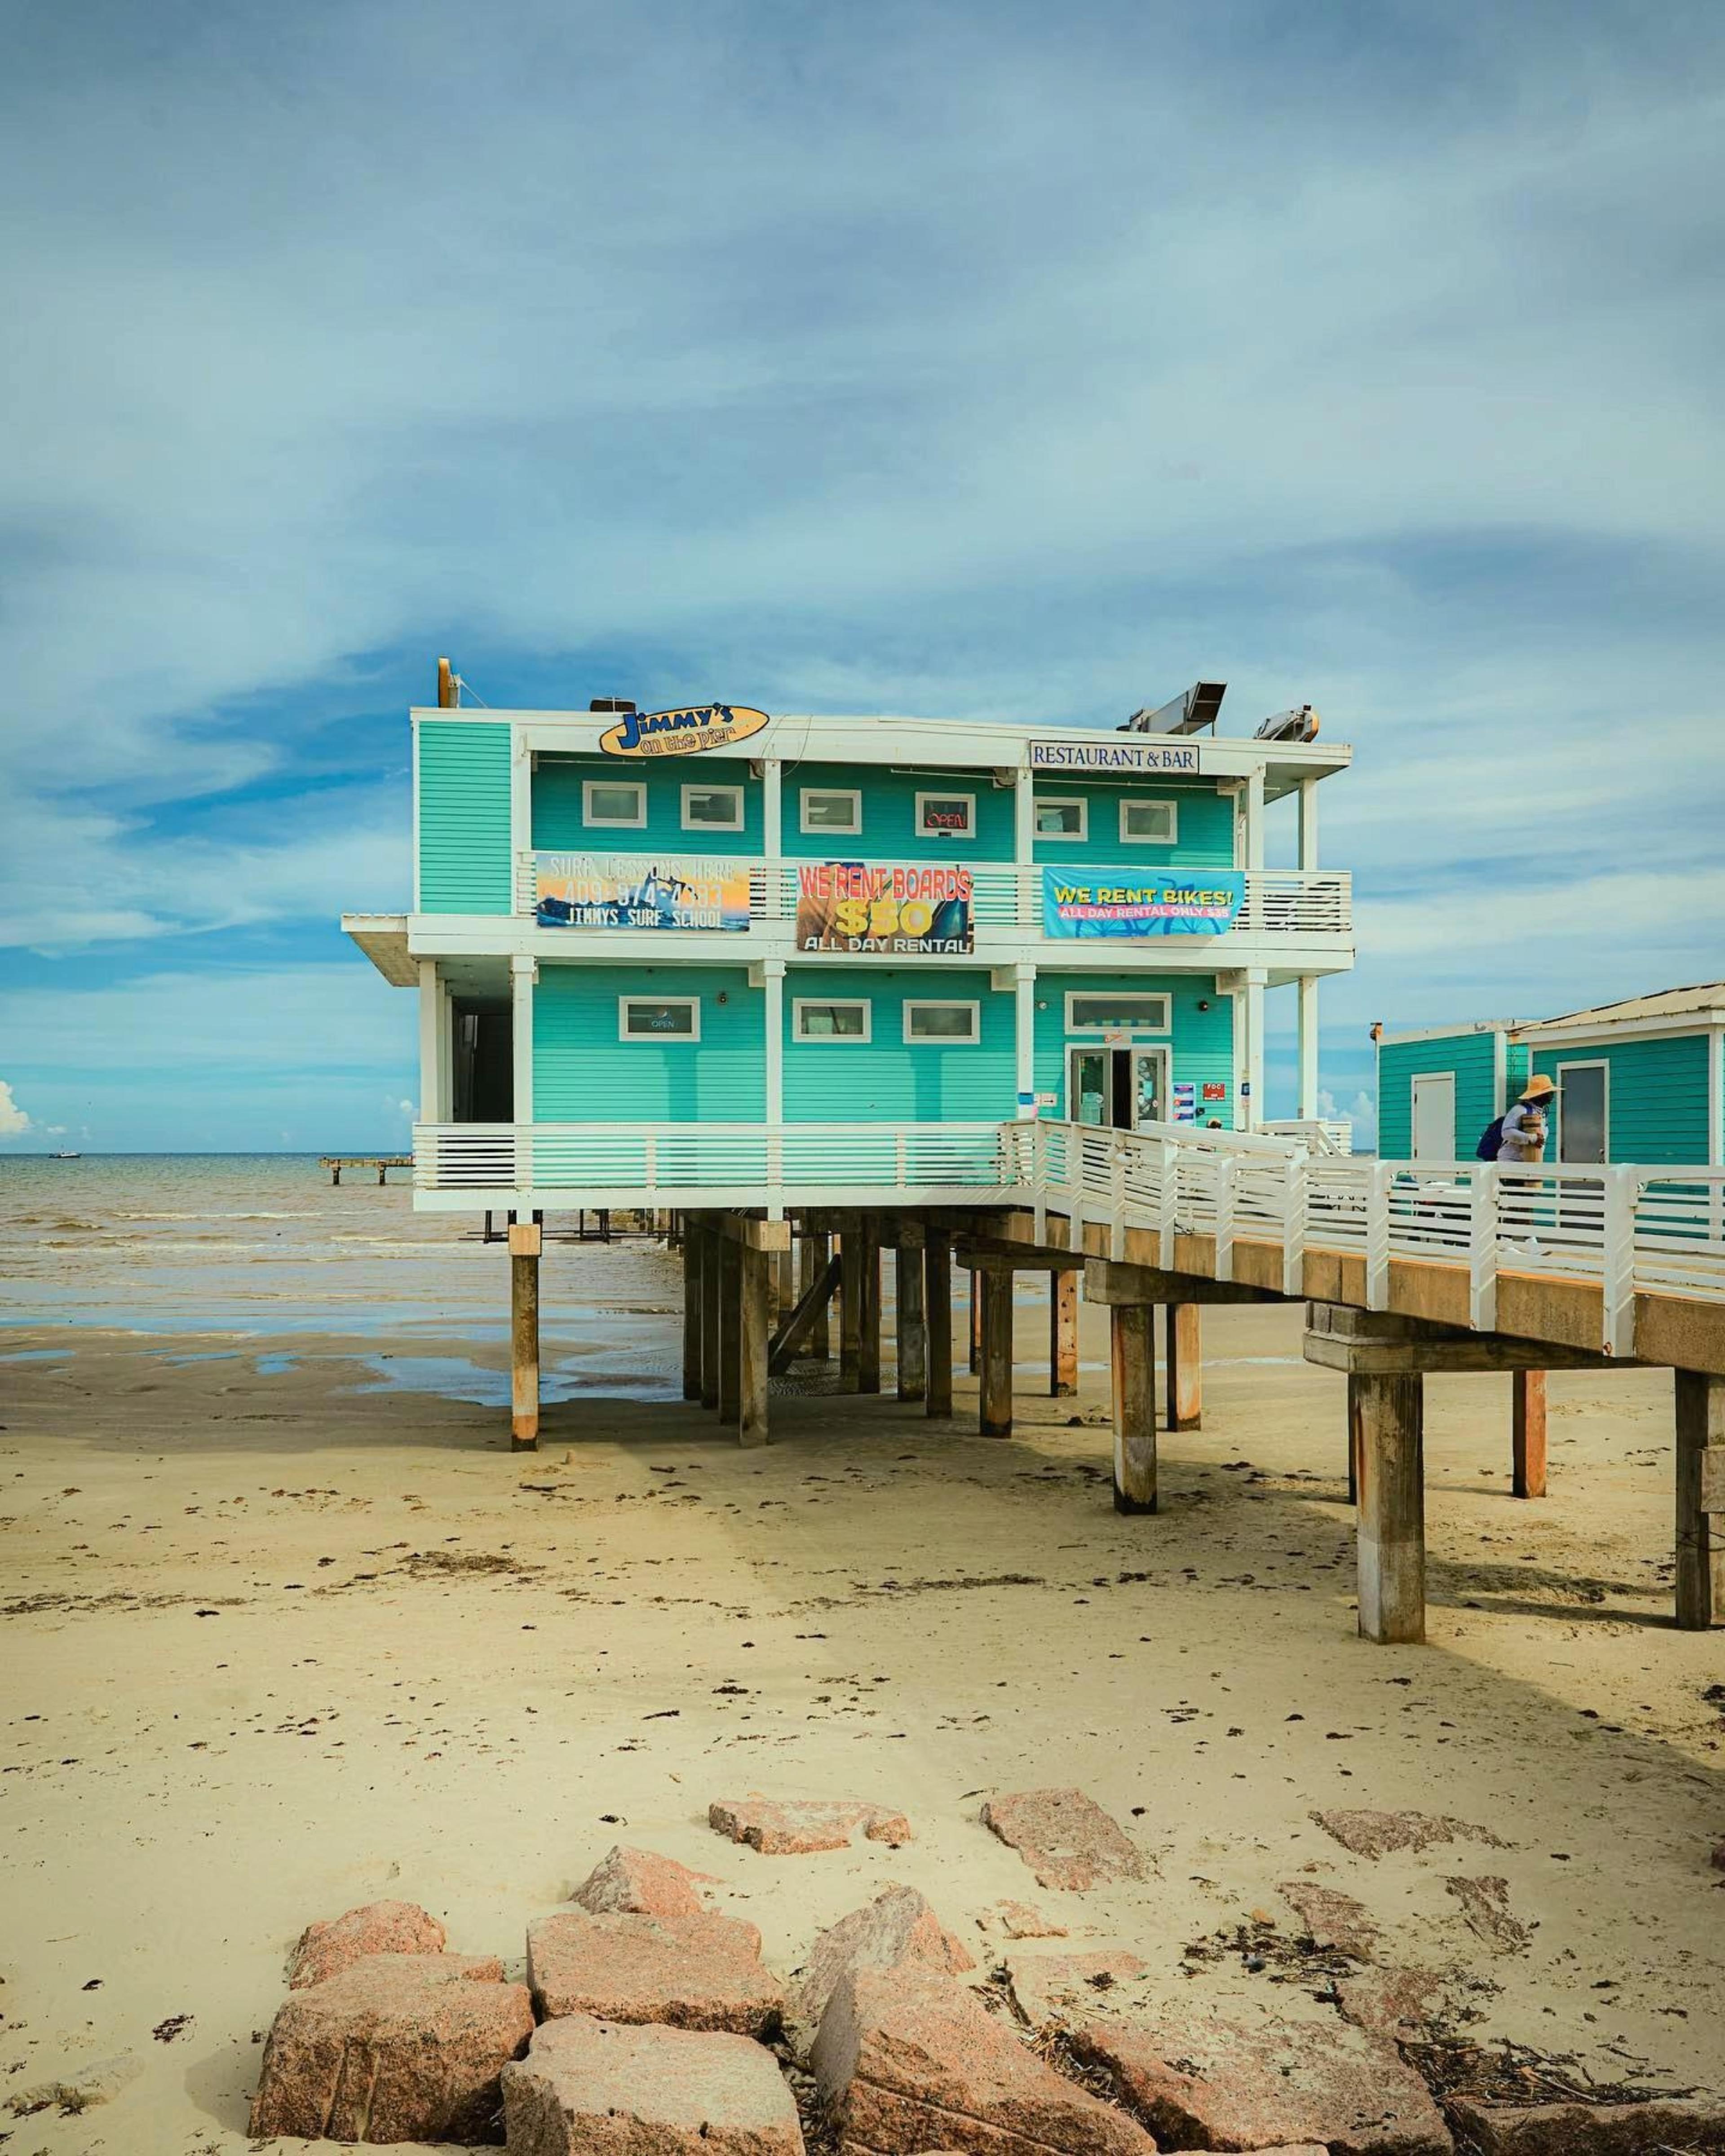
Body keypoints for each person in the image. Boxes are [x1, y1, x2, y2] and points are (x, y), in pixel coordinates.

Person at [1497, 1075, 1554, 1162]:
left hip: (1531, 1161)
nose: (1552, 1095)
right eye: (1549, 1092)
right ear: (1539, 1095)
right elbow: (1506, 1132)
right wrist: (1532, 1138)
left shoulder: (1542, 1113)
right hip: (1511, 1162)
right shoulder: (1520, 1110)